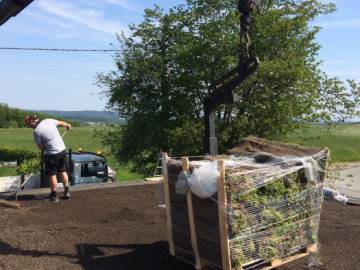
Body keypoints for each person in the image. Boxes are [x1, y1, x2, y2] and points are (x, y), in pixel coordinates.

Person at [24, 115, 72, 203]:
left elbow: (40, 147)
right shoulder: (49, 120)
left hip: (51, 155)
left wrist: (46, 147)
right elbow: (61, 123)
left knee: (52, 175)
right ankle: (67, 191)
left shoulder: (36, 131)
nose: (29, 126)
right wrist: (67, 125)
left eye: (28, 124)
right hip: (62, 151)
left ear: (33, 121)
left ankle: (54, 196)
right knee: (63, 171)